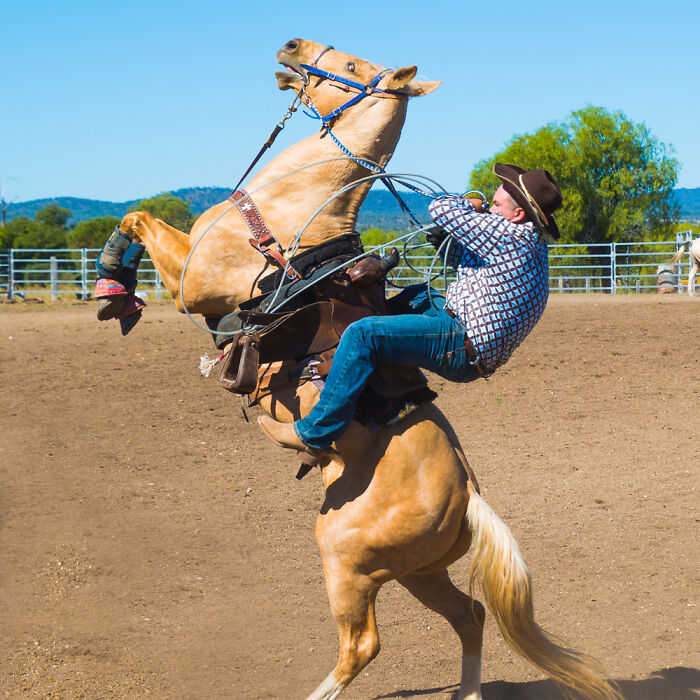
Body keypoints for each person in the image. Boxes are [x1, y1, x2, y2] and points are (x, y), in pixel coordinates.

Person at [257, 163, 563, 456]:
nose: (490, 207)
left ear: (518, 213)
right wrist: (452, 247)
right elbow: (478, 270)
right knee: (418, 294)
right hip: (465, 333)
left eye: (496, 204)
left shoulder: (511, 235)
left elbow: (440, 209)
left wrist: (469, 205)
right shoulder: (531, 243)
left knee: (364, 334)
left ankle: (315, 433)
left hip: (458, 343)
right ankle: (370, 356)